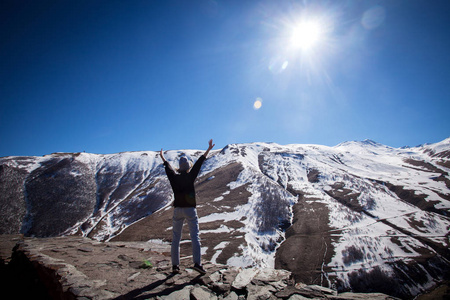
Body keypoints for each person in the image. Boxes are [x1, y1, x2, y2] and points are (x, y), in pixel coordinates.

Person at [160, 139, 215, 275]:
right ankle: (197, 263)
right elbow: (199, 163)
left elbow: (167, 168)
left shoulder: (174, 177)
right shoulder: (190, 176)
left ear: (179, 167)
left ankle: (175, 266)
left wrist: (162, 157)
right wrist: (208, 149)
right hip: (190, 210)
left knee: (176, 238)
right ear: (188, 167)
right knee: (195, 237)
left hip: (178, 210)